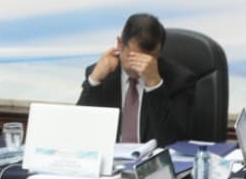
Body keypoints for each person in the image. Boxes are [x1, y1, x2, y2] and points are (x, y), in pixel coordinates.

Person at [75, 13, 195, 146]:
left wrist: (154, 85)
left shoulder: (179, 80)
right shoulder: (100, 73)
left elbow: (172, 142)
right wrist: (94, 81)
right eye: (133, 57)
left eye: (148, 60)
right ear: (120, 44)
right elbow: (79, 132)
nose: (140, 67)